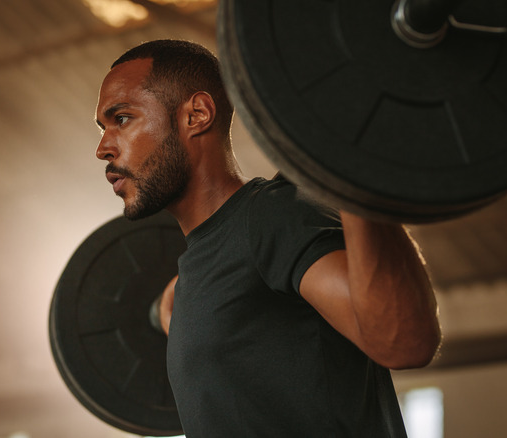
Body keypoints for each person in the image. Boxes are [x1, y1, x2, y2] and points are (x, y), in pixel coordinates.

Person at [94, 39, 441, 437]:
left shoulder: (272, 217)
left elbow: (404, 341)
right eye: (103, 128)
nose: (103, 148)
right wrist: (170, 307)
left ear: (197, 115)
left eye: (121, 118)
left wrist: (350, 164)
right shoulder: (198, 271)